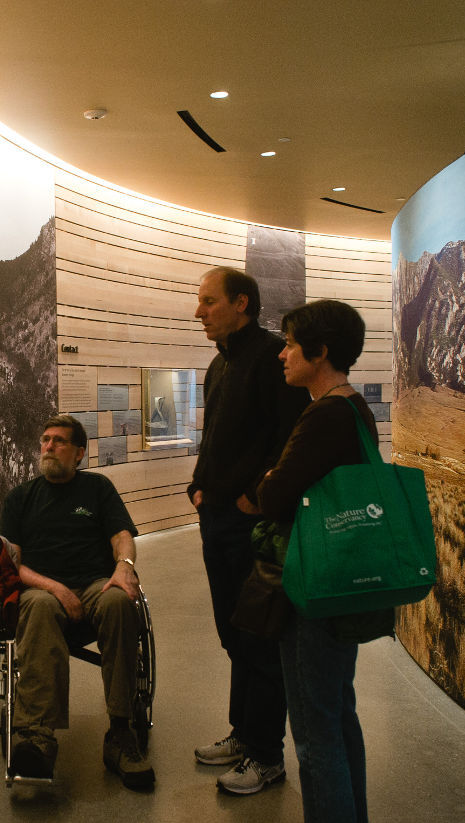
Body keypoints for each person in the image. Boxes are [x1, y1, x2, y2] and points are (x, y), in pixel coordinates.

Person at [254, 299, 377, 823]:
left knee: (316, 727)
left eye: (291, 343)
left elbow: (275, 494)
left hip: (314, 588)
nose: (282, 353)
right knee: (337, 714)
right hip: (337, 584)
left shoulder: (326, 415)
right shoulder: (351, 409)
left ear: (320, 352)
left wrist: (265, 484)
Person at [188, 267, 309, 795]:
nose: (199, 312)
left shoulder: (269, 359)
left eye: (208, 302)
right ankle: (244, 733)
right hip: (215, 518)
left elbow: (289, 437)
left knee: (259, 637)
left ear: (242, 303)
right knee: (235, 633)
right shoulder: (221, 364)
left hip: (248, 524)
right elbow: (216, 438)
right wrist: (197, 488)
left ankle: (266, 756)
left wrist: (256, 498)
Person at [0, 414, 153, 791]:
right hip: (43, 589)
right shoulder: (21, 498)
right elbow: (13, 563)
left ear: (79, 453)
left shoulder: (98, 488)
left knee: (119, 602)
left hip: (95, 585)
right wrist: (56, 588)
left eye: (59, 442)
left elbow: (122, 535)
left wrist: (125, 566)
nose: (48, 446)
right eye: (45, 440)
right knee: (35, 607)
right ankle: (37, 737)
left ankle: (120, 731)